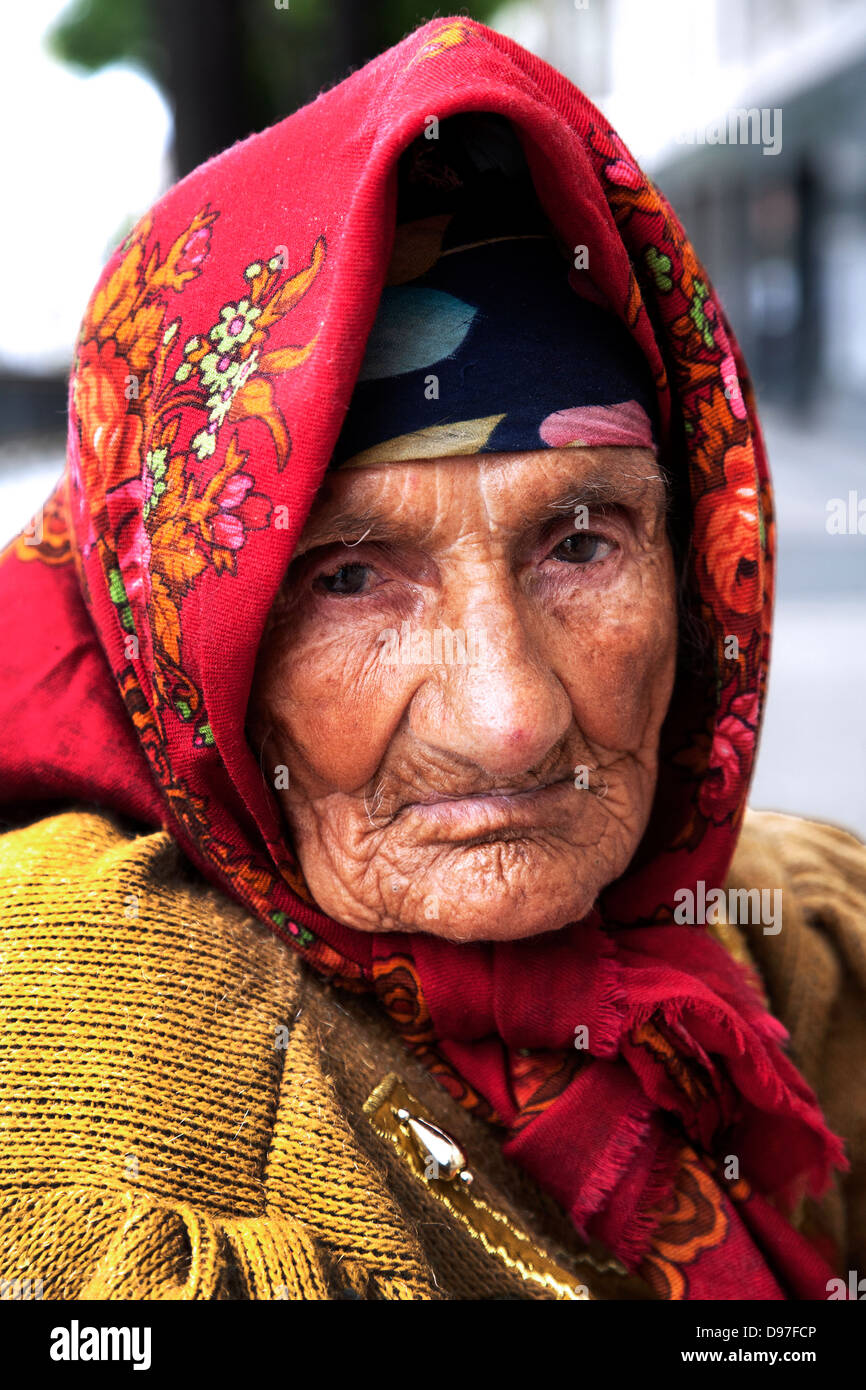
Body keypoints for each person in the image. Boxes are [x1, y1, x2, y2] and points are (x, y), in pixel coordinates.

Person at [1, 16, 864, 1302]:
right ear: (180, 627)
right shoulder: (92, 1101)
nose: (507, 718)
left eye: (580, 542)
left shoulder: (801, 934)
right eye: (348, 575)